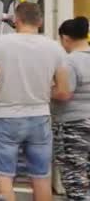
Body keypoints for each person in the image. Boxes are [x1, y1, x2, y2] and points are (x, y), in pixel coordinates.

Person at [0, 2, 70, 201]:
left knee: (4, 176)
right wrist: (42, 92)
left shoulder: (3, 43)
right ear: (40, 21)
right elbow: (64, 91)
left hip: (7, 116)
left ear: (16, 19)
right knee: (41, 177)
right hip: (40, 116)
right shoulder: (54, 47)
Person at [54, 17, 90, 201]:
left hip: (74, 126)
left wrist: (46, 91)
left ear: (66, 38)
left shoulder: (69, 62)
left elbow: (64, 93)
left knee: (75, 177)